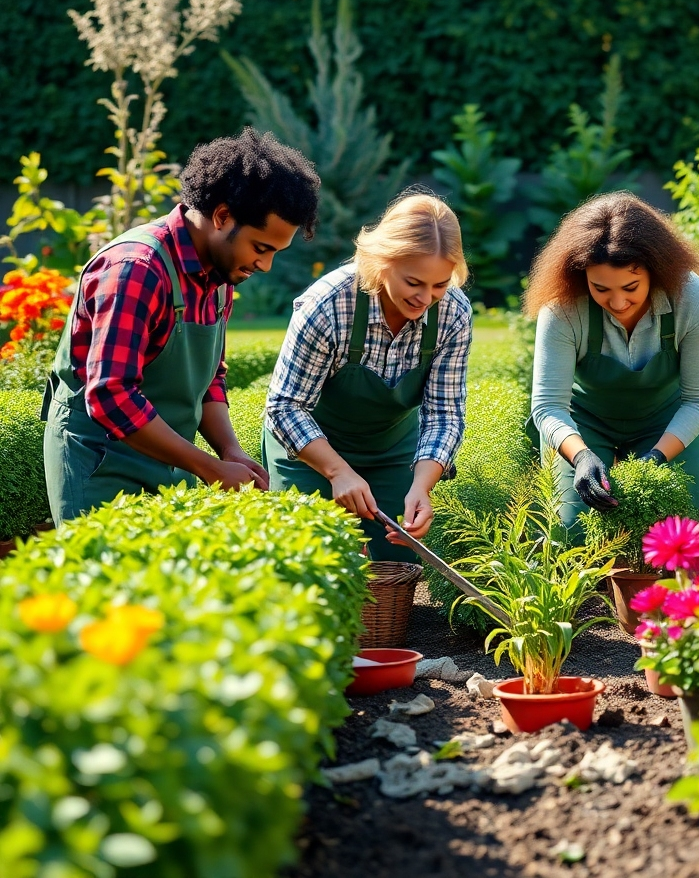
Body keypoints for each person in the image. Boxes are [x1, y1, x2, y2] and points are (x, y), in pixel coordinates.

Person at [43, 127, 321, 527]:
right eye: (261, 248)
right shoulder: (135, 270)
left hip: (170, 463)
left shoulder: (221, 276)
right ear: (222, 216)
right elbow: (111, 395)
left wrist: (230, 451)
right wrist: (208, 467)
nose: (265, 265)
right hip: (100, 465)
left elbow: (209, 379)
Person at [263, 188, 472, 561]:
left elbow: (445, 414)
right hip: (310, 450)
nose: (426, 298)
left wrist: (422, 487)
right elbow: (285, 406)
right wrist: (337, 471)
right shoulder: (328, 305)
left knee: (396, 563)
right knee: (313, 563)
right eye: (414, 282)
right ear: (383, 261)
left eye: (439, 284)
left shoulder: (453, 313)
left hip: (391, 451)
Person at [525, 192, 699, 527]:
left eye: (631, 286)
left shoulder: (690, 297)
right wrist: (582, 456)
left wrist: (657, 457)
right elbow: (548, 406)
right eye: (601, 289)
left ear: (655, 271)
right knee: (574, 534)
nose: (617, 302)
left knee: (674, 537)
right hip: (582, 425)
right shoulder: (562, 306)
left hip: (665, 424)